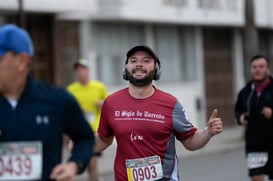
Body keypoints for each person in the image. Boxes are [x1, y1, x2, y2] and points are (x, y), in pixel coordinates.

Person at [94, 45, 223, 180]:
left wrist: (208, 132)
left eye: (146, 60)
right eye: (133, 60)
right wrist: (81, 143)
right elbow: (103, 139)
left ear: (156, 69)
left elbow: (190, 140)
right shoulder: (111, 103)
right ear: (125, 68)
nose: (139, 64)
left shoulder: (171, 104)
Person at [0, 24, 95, 181]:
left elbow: (85, 138)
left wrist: (74, 165)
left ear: (22, 61)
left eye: (1, 58)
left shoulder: (56, 99)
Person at [67, 59, 108, 181]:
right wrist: (76, 109)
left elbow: (109, 102)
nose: (81, 72)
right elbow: (65, 108)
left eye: (83, 69)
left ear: (88, 70)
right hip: (77, 133)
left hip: (94, 131)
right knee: (77, 165)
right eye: (78, 70)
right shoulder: (71, 89)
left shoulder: (98, 87)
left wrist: (101, 104)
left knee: (92, 164)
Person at [235, 54, 273, 181]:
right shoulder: (245, 92)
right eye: (254, 67)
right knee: (256, 177)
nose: (257, 70)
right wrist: (240, 118)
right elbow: (238, 110)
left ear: (268, 69)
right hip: (254, 144)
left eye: (261, 66)